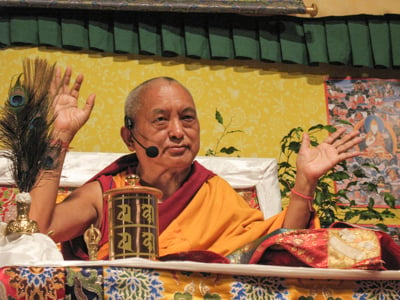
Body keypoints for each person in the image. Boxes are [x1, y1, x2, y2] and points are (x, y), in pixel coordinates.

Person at [29, 66, 363, 261]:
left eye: (187, 119)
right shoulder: (108, 192)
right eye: (161, 120)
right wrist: (59, 138)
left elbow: (273, 246)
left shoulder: (212, 192)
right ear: (130, 138)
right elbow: (37, 233)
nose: (178, 132)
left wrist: (305, 182)